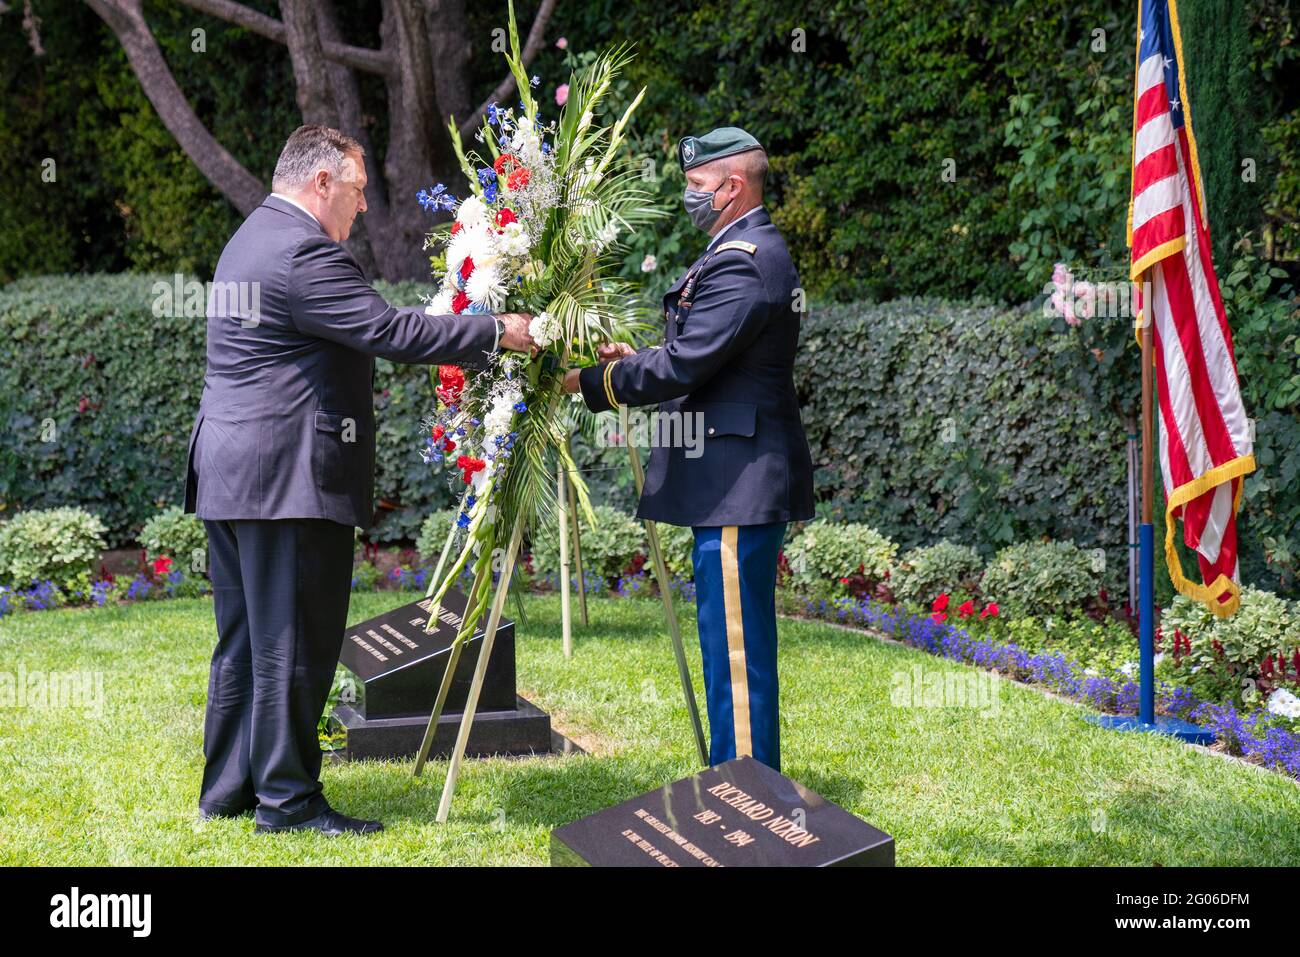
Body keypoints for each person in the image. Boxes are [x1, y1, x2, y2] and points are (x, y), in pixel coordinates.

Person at [182, 124, 536, 836]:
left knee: (247, 638)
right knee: (294, 640)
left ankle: (228, 788)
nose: (364, 206)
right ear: (320, 183)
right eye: (357, 189)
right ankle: (286, 801)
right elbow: (389, 332)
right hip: (285, 477)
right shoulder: (304, 251)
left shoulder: (248, 237)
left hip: (230, 468)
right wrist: (499, 330)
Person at [562, 126, 814, 772]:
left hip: (738, 480)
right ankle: (736, 778)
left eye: (698, 187)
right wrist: (634, 361)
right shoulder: (734, 250)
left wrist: (592, 383)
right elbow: (695, 357)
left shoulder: (744, 259)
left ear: (731, 186)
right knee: (725, 642)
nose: (690, 198)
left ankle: (750, 795)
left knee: (734, 649)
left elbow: (683, 365)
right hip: (730, 478)